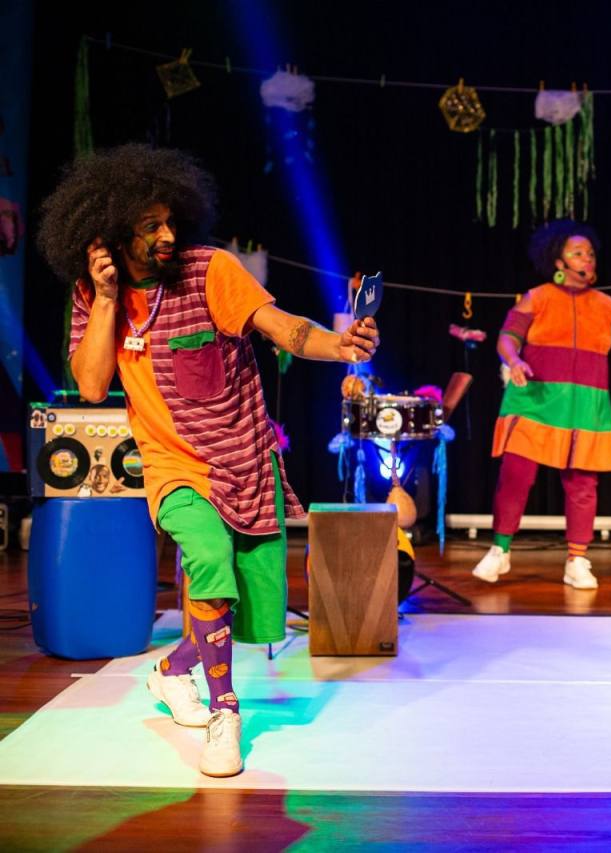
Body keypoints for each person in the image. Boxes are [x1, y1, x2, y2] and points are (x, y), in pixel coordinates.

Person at [39, 144, 380, 776]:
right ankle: (227, 712)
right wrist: (108, 299)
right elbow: (90, 385)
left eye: (170, 220)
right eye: (150, 226)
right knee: (208, 558)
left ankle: (173, 672)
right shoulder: (94, 294)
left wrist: (340, 346)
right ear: (111, 234)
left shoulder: (209, 270)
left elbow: (280, 326)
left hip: (243, 460)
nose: (167, 235)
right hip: (172, 465)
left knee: (237, 600)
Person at [471, 219, 611, 588]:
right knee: (516, 476)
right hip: (535, 400)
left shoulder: (606, 305)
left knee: (583, 484)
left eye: (590, 253)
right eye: (577, 253)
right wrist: (514, 360)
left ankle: (577, 560)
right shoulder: (536, 297)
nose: (587, 259)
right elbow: (507, 338)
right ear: (558, 262)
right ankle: (500, 549)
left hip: (584, 405)